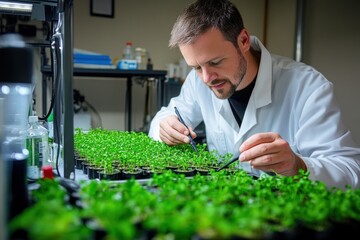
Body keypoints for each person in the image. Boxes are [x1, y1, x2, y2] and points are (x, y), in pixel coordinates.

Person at [148, 0, 360, 190]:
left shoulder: (308, 87)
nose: (206, 78)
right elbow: (167, 115)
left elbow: (350, 171)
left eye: (215, 62)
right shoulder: (199, 80)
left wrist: (299, 166)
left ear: (243, 41)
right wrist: (164, 126)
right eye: (196, 67)